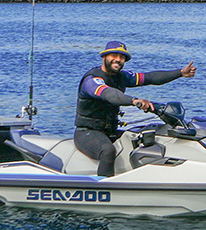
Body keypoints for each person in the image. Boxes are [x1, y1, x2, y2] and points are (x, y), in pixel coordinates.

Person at [74, 41, 196, 176]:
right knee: (108, 150)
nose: (118, 60)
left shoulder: (122, 77)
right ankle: (103, 188)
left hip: (110, 131)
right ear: (104, 57)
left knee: (148, 138)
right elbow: (110, 95)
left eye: (122, 57)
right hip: (87, 132)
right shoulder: (92, 80)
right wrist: (134, 101)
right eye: (114, 55)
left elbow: (150, 78)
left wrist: (180, 73)